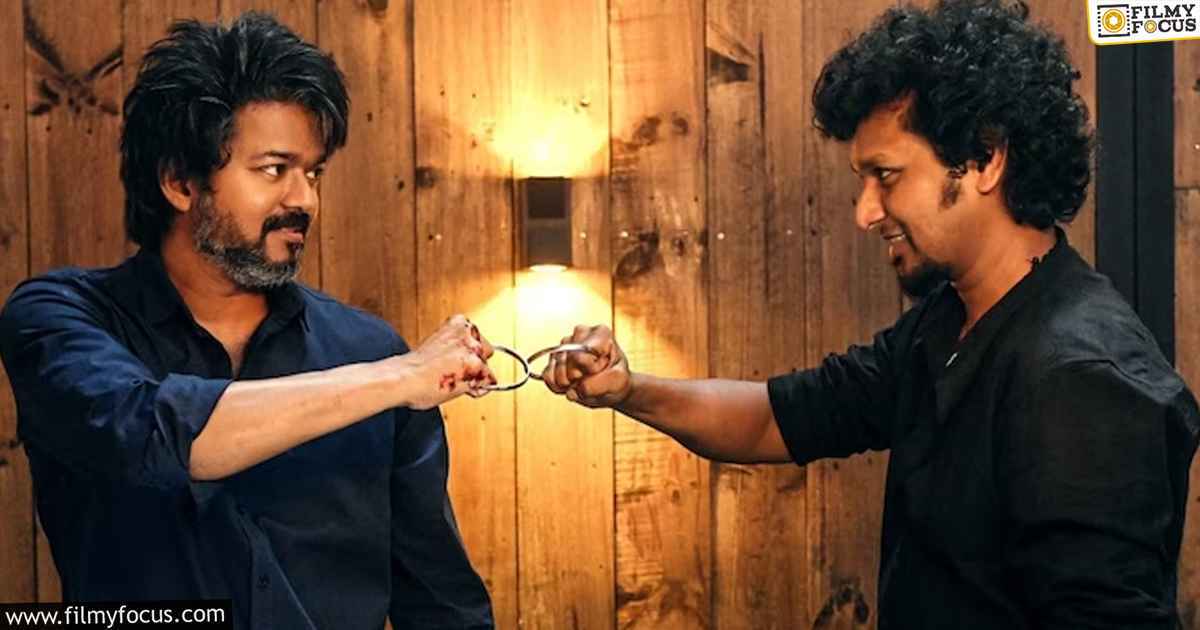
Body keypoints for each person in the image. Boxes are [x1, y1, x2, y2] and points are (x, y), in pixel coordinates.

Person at [542, 1, 1200, 627]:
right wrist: (628, 390)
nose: (865, 212)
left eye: (886, 175)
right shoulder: (947, 321)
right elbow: (777, 418)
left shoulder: (1082, 379)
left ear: (985, 159)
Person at [0, 13, 496, 630]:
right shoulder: (59, 319)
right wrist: (399, 378)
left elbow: (442, 601)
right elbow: (150, 434)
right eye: (273, 169)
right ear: (180, 182)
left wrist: (398, 373)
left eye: (313, 172)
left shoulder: (368, 347)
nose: (304, 199)